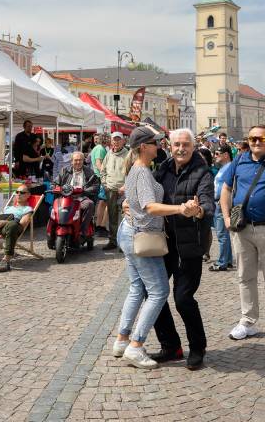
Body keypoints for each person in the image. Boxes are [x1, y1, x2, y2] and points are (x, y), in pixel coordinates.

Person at [110, 127, 181, 370]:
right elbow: (150, 206)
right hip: (141, 236)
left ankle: (122, 339)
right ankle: (136, 345)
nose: (158, 146)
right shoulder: (141, 172)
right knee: (159, 291)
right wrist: (180, 209)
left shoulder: (138, 169)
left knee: (137, 288)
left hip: (130, 231)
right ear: (143, 147)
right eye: (154, 143)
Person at [148, 128, 215, 371]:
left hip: (190, 245)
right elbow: (149, 195)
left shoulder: (202, 172)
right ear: (170, 144)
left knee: (183, 298)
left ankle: (197, 348)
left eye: (185, 144)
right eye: (176, 144)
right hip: (164, 243)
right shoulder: (163, 168)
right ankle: (171, 346)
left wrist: (196, 210)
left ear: (193, 146)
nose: (180, 149)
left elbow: (207, 204)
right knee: (153, 294)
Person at [220, 124, 265, 348]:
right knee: (245, 276)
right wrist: (226, 217)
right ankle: (248, 321)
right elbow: (226, 188)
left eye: (261, 139)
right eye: (252, 139)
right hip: (242, 228)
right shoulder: (239, 160)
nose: (256, 142)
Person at [54, 151, 100, 238]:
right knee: (53, 208)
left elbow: (96, 185)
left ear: (83, 161)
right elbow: (55, 182)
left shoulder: (89, 171)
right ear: (71, 161)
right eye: (75, 160)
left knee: (90, 204)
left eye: (80, 160)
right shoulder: (65, 170)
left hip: (82, 197)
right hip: (66, 198)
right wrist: (56, 187)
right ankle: (53, 231)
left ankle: (83, 231)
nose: (78, 162)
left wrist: (84, 190)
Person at [100, 132, 128, 251]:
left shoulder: (128, 154)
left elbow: (132, 172)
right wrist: (105, 183)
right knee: (112, 216)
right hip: (110, 189)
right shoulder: (108, 154)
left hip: (123, 191)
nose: (116, 142)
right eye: (114, 140)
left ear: (123, 141)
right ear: (111, 141)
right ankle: (112, 240)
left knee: (125, 217)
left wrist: (126, 186)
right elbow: (103, 171)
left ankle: (124, 242)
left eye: (118, 140)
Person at [209, 145, 234, 272]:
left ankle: (222, 261)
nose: (215, 156)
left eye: (217, 153)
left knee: (222, 234)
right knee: (224, 234)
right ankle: (227, 260)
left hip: (221, 203)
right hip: (219, 202)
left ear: (226, 155)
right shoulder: (224, 168)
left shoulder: (229, 167)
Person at [90, 134, 109, 237]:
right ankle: (100, 226)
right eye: (107, 138)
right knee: (105, 203)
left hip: (98, 177)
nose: (109, 140)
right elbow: (98, 163)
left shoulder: (97, 148)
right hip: (101, 178)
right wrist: (106, 176)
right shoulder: (101, 149)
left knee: (102, 203)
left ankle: (99, 226)